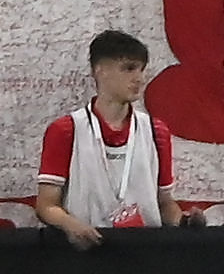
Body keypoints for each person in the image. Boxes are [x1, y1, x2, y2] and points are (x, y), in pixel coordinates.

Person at [33, 27, 172, 242]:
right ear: (100, 70)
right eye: (129, 69)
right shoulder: (66, 130)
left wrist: (184, 220)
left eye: (142, 69)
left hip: (145, 255)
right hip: (87, 253)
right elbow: (46, 205)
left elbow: (165, 204)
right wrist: (72, 225)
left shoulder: (157, 131)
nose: (140, 78)